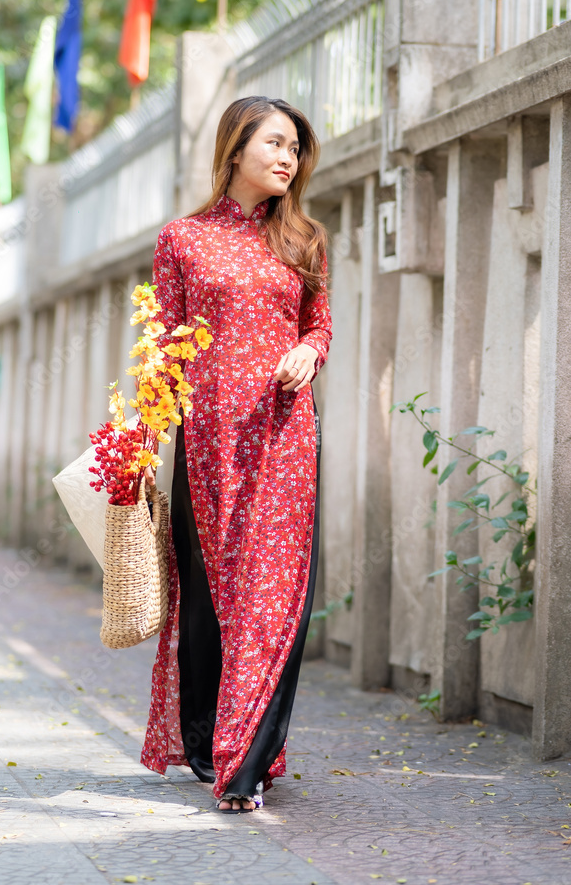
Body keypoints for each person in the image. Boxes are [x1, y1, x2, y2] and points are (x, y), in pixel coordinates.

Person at [139, 95, 333, 812]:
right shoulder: (182, 240)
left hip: (285, 438)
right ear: (235, 148)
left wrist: (307, 353)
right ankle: (205, 740)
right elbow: (162, 348)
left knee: (272, 597)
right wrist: (138, 443)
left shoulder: (303, 237)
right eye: (276, 144)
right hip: (209, 442)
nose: (288, 158)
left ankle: (244, 765)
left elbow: (320, 323)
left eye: (295, 148)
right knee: (210, 598)